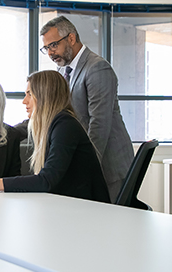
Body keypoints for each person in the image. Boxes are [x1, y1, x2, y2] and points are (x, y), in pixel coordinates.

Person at [0, 70, 111, 203]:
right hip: (69, 207)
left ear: (44, 95)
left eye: (29, 94)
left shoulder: (65, 125)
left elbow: (46, 180)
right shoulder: (53, 125)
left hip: (89, 213)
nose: (24, 101)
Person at [37, 15, 134, 203]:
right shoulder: (63, 71)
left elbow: (99, 124)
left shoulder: (97, 68)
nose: (50, 53)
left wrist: (85, 169)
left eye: (53, 45)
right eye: (46, 48)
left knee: (111, 225)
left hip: (109, 166)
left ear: (71, 38)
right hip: (90, 164)